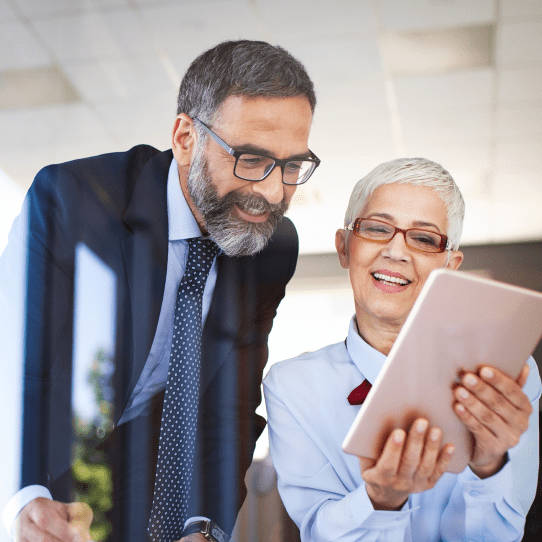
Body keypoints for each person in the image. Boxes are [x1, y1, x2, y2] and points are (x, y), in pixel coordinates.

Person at [0, 40, 320, 542]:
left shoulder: (272, 249)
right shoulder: (72, 201)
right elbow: (21, 370)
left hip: (138, 476)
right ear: (186, 136)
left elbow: (228, 408)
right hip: (39, 459)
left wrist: (205, 525)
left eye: (291, 166)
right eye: (252, 159)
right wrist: (24, 497)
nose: (273, 192)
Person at [264, 158, 541, 541]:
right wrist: (381, 499)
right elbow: (319, 531)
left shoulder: (503, 375)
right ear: (344, 248)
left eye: (425, 239)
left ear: (450, 264)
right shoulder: (292, 385)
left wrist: (489, 466)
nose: (396, 252)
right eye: (377, 229)